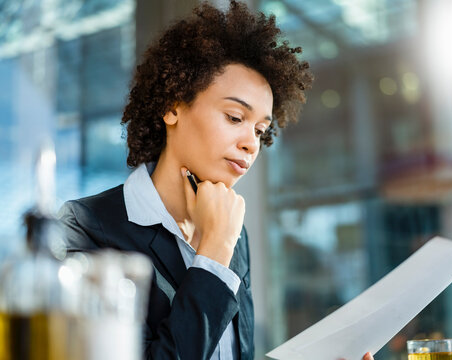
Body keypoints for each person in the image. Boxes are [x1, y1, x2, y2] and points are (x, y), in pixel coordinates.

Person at [58, 1, 374, 359]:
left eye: (260, 129)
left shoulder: (234, 236)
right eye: (235, 116)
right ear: (173, 107)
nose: (251, 143)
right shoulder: (86, 227)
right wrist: (214, 255)